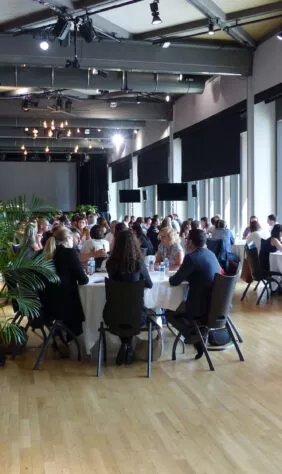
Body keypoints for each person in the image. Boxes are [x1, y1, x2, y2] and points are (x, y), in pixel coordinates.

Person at [105, 230, 153, 365]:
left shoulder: (111, 264)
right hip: (136, 316)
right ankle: (128, 345)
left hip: (113, 315)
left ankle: (125, 344)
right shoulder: (138, 263)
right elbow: (149, 284)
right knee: (132, 310)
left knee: (123, 310)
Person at [167, 229, 220, 343]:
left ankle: (194, 336)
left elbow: (174, 281)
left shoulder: (191, 258)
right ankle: (199, 333)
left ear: (190, 242)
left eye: (186, 240)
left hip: (199, 307)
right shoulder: (211, 254)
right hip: (217, 305)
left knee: (169, 312)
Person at [42, 227, 89, 337]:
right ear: (68, 238)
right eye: (72, 239)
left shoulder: (46, 253)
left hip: (47, 303)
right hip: (64, 306)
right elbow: (83, 280)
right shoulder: (69, 253)